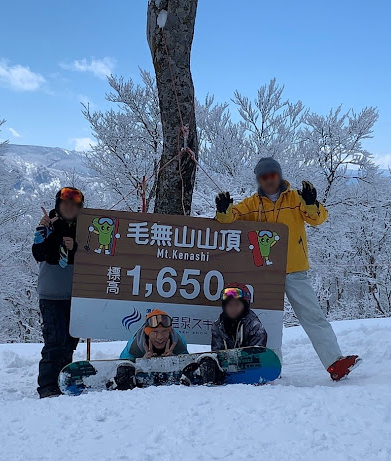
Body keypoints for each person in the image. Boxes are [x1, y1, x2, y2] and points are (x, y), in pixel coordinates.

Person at [215, 157, 360, 381]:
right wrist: (223, 210)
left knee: (313, 316)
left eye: (272, 175)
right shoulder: (253, 204)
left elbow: (317, 218)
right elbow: (229, 219)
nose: (269, 180)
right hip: (265, 274)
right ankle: (270, 367)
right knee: (267, 321)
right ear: (259, 180)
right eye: (264, 177)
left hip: (295, 269)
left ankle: (335, 363)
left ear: (279, 175)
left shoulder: (295, 198)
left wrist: (312, 203)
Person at [32, 187, 84, 398]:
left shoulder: (84, 229)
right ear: (58, 205)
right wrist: (51, 234)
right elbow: (39, 252)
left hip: (76, 295)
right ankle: (47, 385)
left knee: (70, 341)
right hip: (51, 295)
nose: (69, 208)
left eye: (74, 205)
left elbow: (93, 255)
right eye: (65, 204)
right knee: (55, 341)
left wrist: (76, 247)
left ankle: (64, 379)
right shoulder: (47, 226)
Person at [211, 284, 268, 351]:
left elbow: (258, 354)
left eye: (237, 304)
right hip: (226, 361)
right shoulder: (218, 326)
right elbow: (217, 352)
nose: (233, 308)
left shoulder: (255, 327)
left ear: (245, 306)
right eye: (229, 305)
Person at [119, 310, 188, 360]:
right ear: (147, 333)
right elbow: (123, 366)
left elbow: (188, 366)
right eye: (155, 332)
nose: (160, 337)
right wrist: (142, 363)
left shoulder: (178, 341)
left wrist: (175, 360)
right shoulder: (135, 346)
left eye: (164, 331)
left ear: (169, 332)